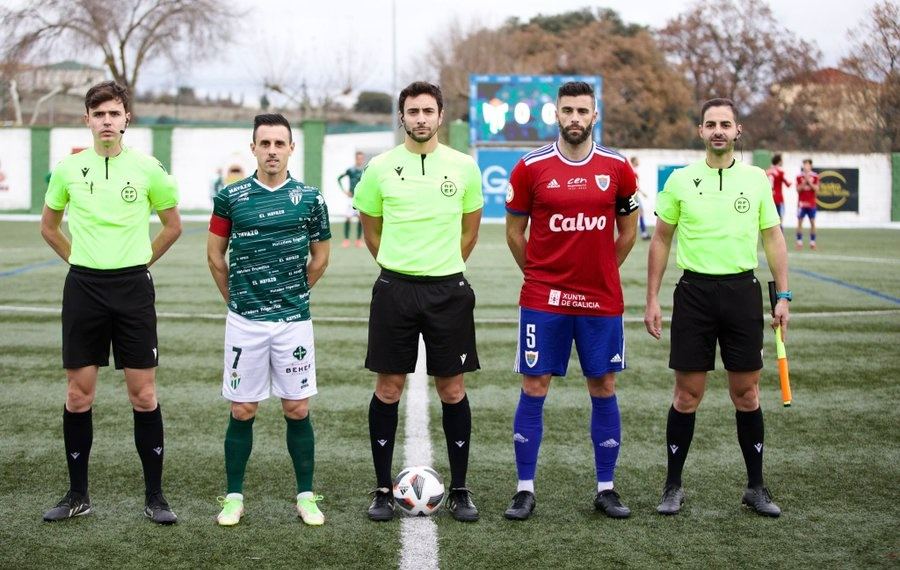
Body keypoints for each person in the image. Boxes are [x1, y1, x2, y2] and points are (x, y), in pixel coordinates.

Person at [39, 80, 182, 524]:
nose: (106, 121)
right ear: (87, 120)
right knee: (78, 395)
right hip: (83, 289)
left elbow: (172, 226)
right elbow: (49, 227)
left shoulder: (148, 168)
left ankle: (155, 497)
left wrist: (142, 263)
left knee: (143, 395)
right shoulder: (66, 170)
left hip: (133, 290)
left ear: (126, 119)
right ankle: (78, 494)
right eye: (98, 114)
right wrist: (78, 260)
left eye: (114, 113)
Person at [644, 98, 790, 518]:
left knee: (746, 393)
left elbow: (774, 238)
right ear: (701, 131)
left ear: (738, 130)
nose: (718, 130)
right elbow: (661, 239)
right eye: (711, 124)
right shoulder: (680, 180)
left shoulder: (757, 179)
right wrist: (652, 298)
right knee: (687, 395)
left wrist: (783, 295)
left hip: (742, 294)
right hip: (693, 295)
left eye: (725, 123)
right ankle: (673, 486)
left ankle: (756, 487)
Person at [503, 81, 639, 521]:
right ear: (556, 115)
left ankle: (606, 488)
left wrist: (602, 271)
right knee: (534, 386)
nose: (575, 118)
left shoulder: (618, 167)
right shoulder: (529, 167)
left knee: (603, 386)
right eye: (568, 111)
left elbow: (629, 229)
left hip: (601, 300)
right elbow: (514, 233)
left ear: (595, 115)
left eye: (583, 110)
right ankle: (525, 489)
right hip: (544, 299)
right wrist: (540, 277)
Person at [353, 81, 484, 522]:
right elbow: (371, 229)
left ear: (441, 116)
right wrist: (400, 265)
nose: (421, 118)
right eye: (413, 111)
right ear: (402, 117)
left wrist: (441, 266)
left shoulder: (464, 167)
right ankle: (381, 489)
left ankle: (461, 489)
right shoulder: (380, 167)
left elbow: (470, 230)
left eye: (429, 110)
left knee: (453, 389)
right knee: (388, 388)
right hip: (395, 290)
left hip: (448, 290)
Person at [207, 113, 331, 527]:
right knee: (243, 409)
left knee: (297, 408)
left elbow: (321, 256)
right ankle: (233, 497)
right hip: (245, 322)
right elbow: (214, 255)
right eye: (265, 143)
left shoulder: (311, 198)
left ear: (292, 148)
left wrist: (295, 293)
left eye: (280, 143)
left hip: (293, 320)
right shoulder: (231, 197)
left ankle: (306, 496)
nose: (273, 150)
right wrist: (237, 300)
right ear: (254, 147)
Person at [338, 151, 366, 248]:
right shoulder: (350, 170)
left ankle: (358, 240)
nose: (359, 160)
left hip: (360, 198)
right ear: (355, 158)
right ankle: (346, 240)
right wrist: (344, 191)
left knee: (360, 219)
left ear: (363, 159)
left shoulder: (365, 171)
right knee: (348, 218)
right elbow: (339, 178)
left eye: (361, 158)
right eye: (358, 158)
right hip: (351, 198)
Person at [795, 158, 819, 249]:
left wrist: (810, 182)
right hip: (801, 204)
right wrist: (805, 181)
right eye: (805, 164)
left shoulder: (815, 176)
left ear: (811, 166)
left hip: (811, 203)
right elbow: (797, 189)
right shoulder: (799, 177)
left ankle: (812, 242)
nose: (806, 166)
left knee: (812, 222)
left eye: (808, 165)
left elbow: (816, 189)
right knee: (800, 222)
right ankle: (799, 241)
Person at [765, 154, 791, 229]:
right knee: (780, 218)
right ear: (779, 161)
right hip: (779, 198)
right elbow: (787, 184)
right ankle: (780, 236)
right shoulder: (780, 172)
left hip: (770, 198)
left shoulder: (767, 171)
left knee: (769, 219)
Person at [630, 155, 650, 240]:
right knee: (639, 213)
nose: (638, 161)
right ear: (634, 161)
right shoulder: (633, 171)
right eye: (637, 160)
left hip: (635, 195)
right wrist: (641, 193)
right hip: (634, 195)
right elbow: (634, 185)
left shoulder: (634, 170)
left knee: (638, 213)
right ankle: (643, 233)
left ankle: (643, 233)